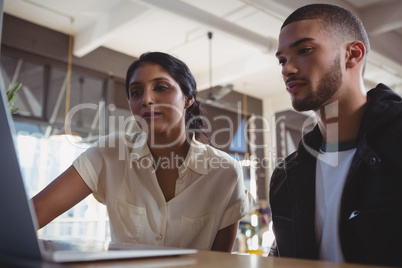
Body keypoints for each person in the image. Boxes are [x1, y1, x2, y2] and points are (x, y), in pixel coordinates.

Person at [32, 51, 254, 252]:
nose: (146, 100)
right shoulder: (110, 153)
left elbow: (219, 262)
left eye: (160, 87)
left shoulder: (225, 172)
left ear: (188, 98)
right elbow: (36, 213)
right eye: (136, 92)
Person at [270, 3, 402, 266]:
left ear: (353, 54)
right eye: (282, 60)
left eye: (304, 50)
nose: (287, 69)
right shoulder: (286, 175)